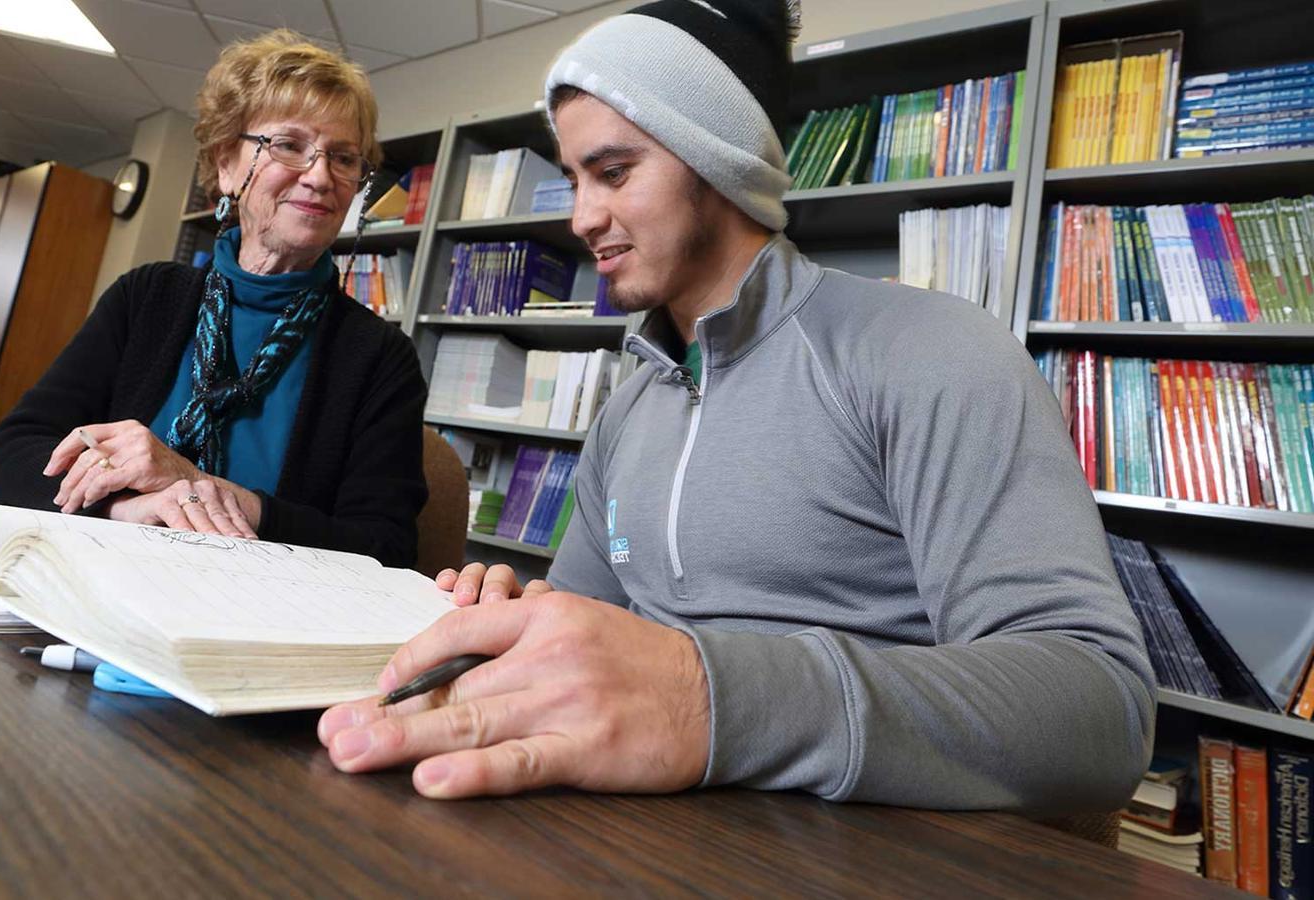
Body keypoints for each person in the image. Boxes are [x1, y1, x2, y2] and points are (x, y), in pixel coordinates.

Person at [317, 0, 1156, 812]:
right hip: (631, 825)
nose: (581, 217)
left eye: (613, 172)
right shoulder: (630, 399)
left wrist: (706, 698)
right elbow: (584, 620)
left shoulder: (930, 351)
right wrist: (508, 621)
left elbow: (1098, 713)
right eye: (575, 178)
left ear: (718, 159)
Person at [0, 30, 427, 568]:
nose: (320, 177)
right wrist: (128, 511)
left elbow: (385, 547)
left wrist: (202, 486)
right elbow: (18, 449)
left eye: (343, 158)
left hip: (264, 615)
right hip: (106, 577)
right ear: (226, 164)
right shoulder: (146, 298)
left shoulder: (379, 356)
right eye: (289, 145)